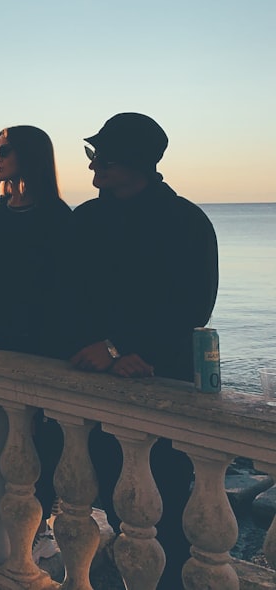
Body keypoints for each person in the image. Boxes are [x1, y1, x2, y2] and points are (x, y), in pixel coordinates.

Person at [69, 112, 218, 589]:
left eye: (104, 158)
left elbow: (194, 305)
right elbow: (65, 292)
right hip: (93, 378)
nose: (95, 169)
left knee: (165, 498)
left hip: (156, 378)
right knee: (109, 493)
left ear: (134, 160)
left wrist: (122, 348)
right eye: (94, 158)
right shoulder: (87, 218)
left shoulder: (186, 222)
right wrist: (96, 348)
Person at [0, 125, 74, 561]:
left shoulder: (59, 218)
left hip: (45, 347)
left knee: (42, 442)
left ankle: (34, 528)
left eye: (3, 150)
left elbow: (70, 289)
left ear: (30, 155)